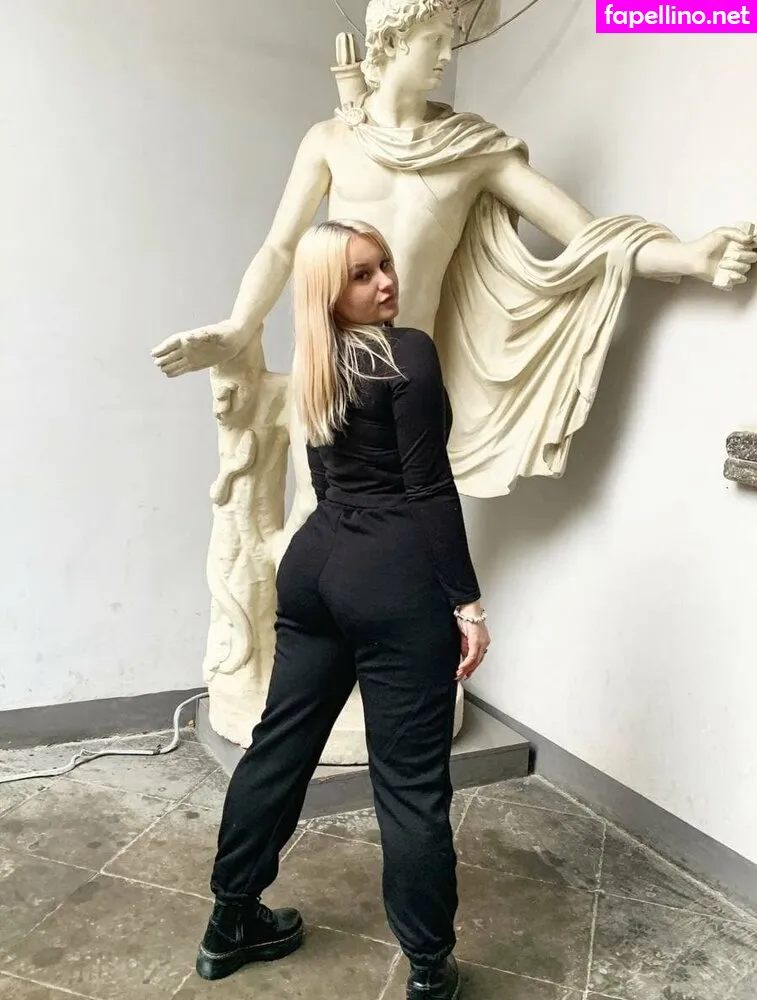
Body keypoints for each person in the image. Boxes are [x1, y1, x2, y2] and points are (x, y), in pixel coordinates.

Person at [195, 218, 491, 1000]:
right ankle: (427, 969)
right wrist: (465, 602)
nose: (385, 281)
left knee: (279, 745)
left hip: (316, 566)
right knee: (410, 783)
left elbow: (328, 482)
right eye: (361, 274)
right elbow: (428, 487)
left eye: (383, 264)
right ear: (329, 290)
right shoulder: (407, 353)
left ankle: (229, 923)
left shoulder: (316, 360)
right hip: (392, 579)